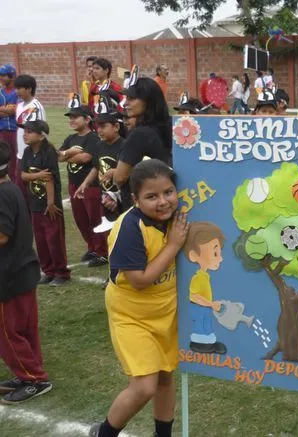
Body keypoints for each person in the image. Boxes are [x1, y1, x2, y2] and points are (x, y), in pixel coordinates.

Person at [89, 159, 189, 437]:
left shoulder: (176, 216)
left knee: (166, 377)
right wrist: (172, 246)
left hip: (166, 312)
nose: (163, 202)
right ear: (135, 199)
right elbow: (140, 280)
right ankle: (105, 432)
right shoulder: (129, 227)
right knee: (145, 385)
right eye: (151, 196)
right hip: (132, 316)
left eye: (168, 192)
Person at [0, 141, 52, 405]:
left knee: (7, 332)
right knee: (24, 328)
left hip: (8, 274)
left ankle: (34, 379)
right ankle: (29, 372)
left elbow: (2, 235)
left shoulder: (2, 193)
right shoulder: (10, 188)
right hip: (23, 269)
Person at [19, 117, 70, 286]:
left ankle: (61, 273)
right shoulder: (27, 152)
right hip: (34, 203)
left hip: (49, 204)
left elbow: (49, 179)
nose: (25, 135)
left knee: (54, 240)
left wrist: (50, 203)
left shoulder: (47, 152)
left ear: (41, 136)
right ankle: (48, 271)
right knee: (40, 240)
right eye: (24, 131)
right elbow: (23, 175)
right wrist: (37, 175)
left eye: (29, 132)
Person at [58, 95, 107, 266]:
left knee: (95, 218)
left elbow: (86, 158)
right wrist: (71, 151)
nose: (71, 120)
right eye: (70, 117)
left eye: (75, 117)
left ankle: (102, 251)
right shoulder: (71, 140)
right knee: (81, 219)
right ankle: (92, 247)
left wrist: (67, 155)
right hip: (74, 185)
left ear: (87, 120)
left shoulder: (92, 138)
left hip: (90, 185)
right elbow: (57, 156)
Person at [113, 77, 171, 211]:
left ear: (148, 101)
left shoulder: (140, 134)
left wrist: (115, 174)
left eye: (131, 99)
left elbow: (120, 177)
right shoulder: (172, 125)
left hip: (143, 208)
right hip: (168, 201)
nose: (125, 103)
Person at [76, 110, 126, 222]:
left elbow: (130, 169)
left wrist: (114, 171)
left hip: (121, 196)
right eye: (98, 127)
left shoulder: (125, 145)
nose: (99, 130)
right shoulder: (99, 145)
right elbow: (96, 167)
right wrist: (85, 183)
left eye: (103, 126)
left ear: (116, 127)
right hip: (105, 195)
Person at [184, 222, 226, 354]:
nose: (220, 259)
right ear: (194, 256)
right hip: (198, 307)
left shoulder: (205, 276)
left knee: (207, 325)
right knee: (201, 326)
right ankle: (200, 345)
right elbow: (194, 296)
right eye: (215, 253)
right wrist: (211, 304)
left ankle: (210, 343)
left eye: (219, 253)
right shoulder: (198, 278)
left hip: (204, 307)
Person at [15, 74, 46, 203]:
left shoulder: (35, 107)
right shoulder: (19, 106)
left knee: (33, 192)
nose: (17, 91)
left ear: (29, 89)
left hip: (32, 154)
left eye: (20, 88)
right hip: (21, 154)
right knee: (21, 191)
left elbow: (42, 132)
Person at [0, 64, 17, 183]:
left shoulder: (18, 91)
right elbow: (11, 110)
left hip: (16, 130)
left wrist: (4, 109)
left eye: (3, 75)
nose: (1, 78)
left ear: (11, 76)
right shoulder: (0, 91)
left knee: (16, 159)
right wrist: (9, 110)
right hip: (2, 130)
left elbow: (17, 109)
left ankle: (16, 183)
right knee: (4, 157)